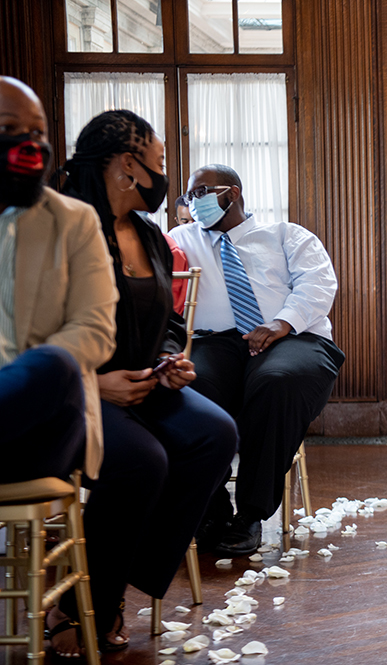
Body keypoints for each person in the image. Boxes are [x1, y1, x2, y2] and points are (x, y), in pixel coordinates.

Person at [51, 110, 238, 656]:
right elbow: (32, 332)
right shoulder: (64, 230)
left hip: (143, 386)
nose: (165, 176)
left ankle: (112, 574)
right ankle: (91, 601)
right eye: (158, 163)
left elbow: (169, 323)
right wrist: (95, 382)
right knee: (142, 459)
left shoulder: (151, 237)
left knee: (216, 434)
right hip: (74, 394)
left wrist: (166, 358)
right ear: (126, 168)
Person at [169, 164, 345, 556]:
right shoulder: (180, 240)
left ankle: (250, 514)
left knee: (277, 380)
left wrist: (282, 323)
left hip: (293, 336)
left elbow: (319, 283)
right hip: (214, 341)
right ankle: (209, 512)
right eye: (188, 197)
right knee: (192, 385)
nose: (191, 204)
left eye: (200, 193)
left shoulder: (286, 235)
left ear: (231, 193)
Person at [0, 76, 117, 483]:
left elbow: (96, 330)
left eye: (37, 132)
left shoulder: (74, 221)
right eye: (8, 130)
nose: (27, 144)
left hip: (43, 423)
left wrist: (20, 378)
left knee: (56, 363)